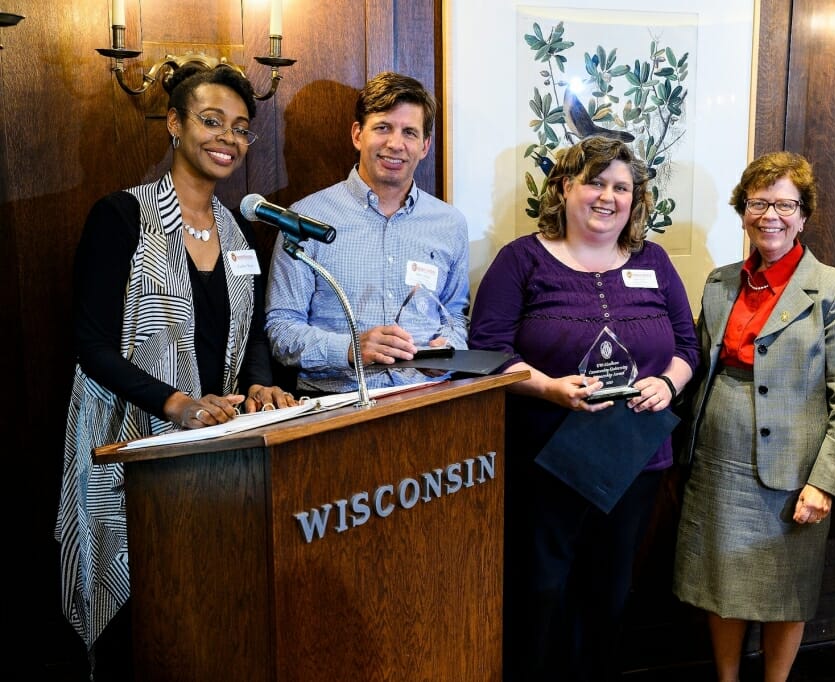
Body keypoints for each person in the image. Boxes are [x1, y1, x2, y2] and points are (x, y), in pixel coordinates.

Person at [54, 63, 297, 678]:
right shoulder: (122, 217)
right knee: (136, 618)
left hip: (216, 451)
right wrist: (176, 403)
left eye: (241, 129)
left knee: (201, 608)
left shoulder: (240, 228)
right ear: (174, 124)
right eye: (212, 121)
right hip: (131, 444)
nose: (228, 139)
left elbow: (248, 336)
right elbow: (91, 345)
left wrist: (259, 383)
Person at [468, 136, 700, 681]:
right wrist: (549, 387)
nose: (607, 196)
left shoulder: (654, 261)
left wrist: (667, 384)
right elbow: (487, 352)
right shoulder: (521, 259)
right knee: (541, 591)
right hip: (547, 457)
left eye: (621, 187)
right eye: (595, 181)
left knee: (610, 593)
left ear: (635, 199)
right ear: (564, 187)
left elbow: (688, 348)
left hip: (636, 460)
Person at [672, 151, 835, 682]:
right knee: (720, 583)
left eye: (785, 204)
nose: (770, 216)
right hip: (716, 460)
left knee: (788, 589)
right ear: (743, 211)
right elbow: (696, 364)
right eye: (758, 203)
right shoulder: (718, 283)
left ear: (804, 214)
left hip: (793, 471)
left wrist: (825, 483)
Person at [265, 71, 470, 395]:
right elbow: (281, 329)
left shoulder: (450, 224)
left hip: (429, 400)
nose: (395, 144)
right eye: (383, 128)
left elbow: (455, 315)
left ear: (425, 145)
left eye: (410, 133)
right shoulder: (304, 219)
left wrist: (449, 351)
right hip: (337, 405)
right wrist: (350, 349)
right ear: (358, 134)